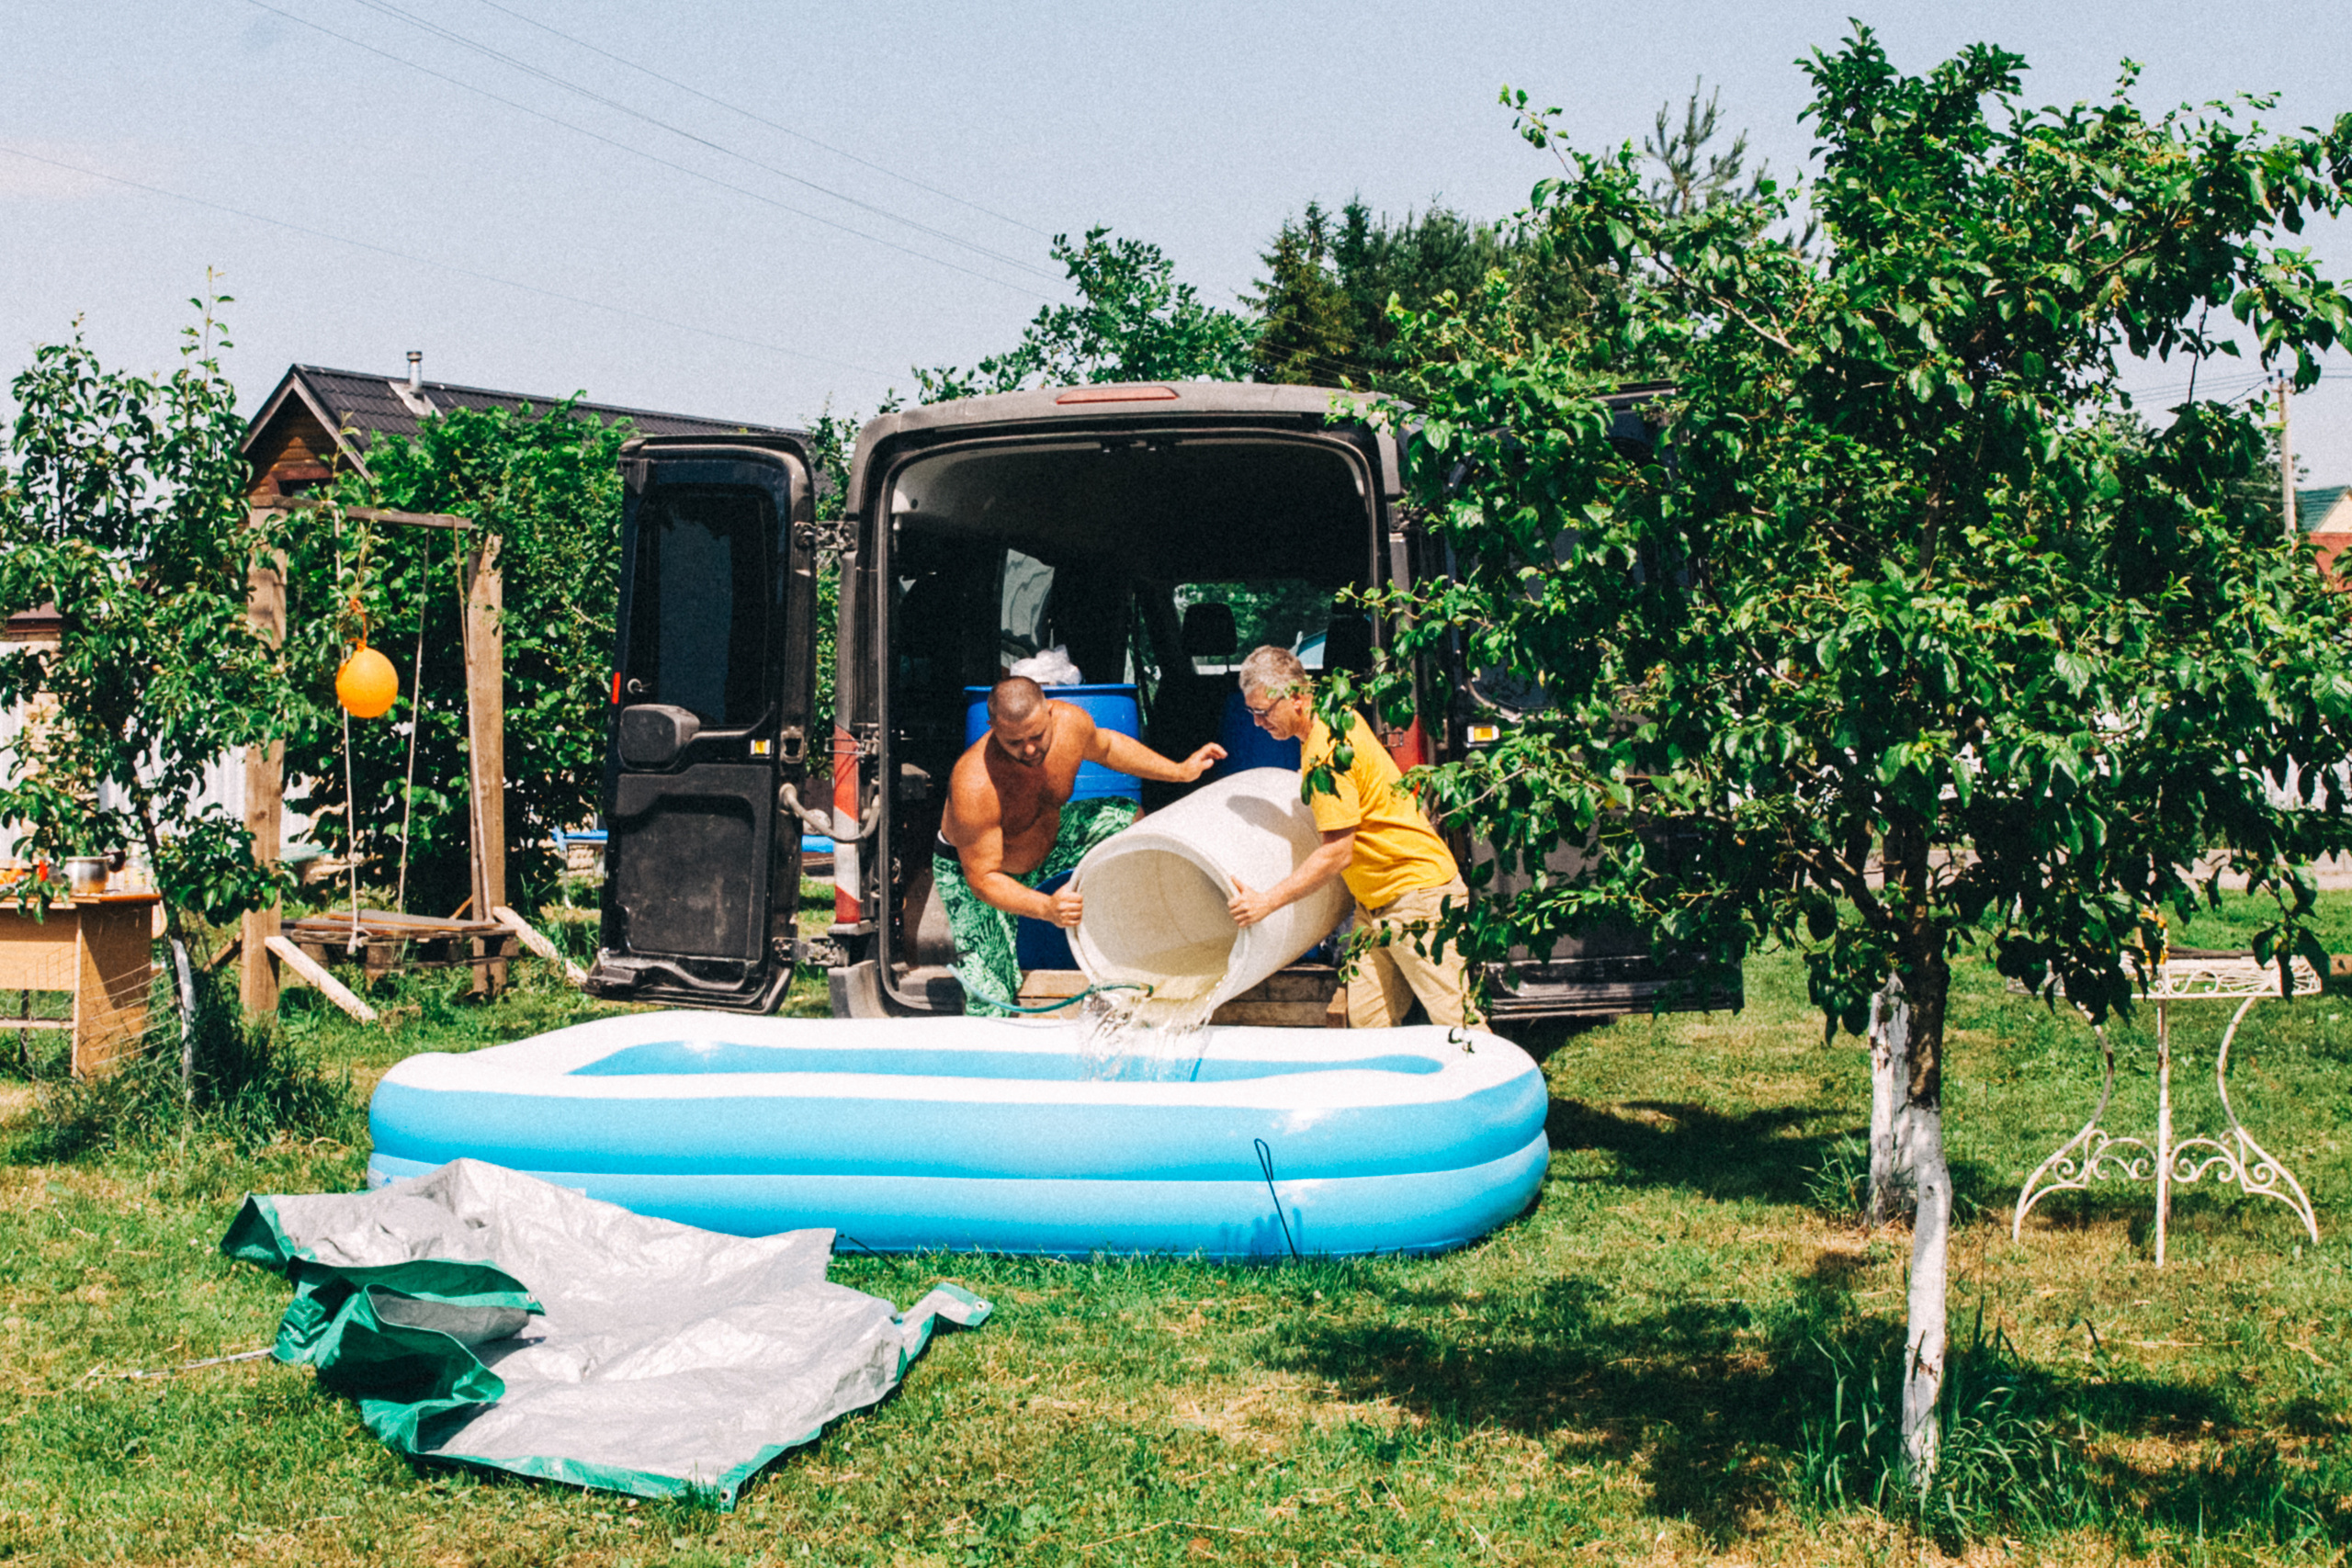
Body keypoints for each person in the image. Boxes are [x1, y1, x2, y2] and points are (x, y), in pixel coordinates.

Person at [937, 676, 1225, 1016]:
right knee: (992, 1002)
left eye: (1037, 735)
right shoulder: (974, 782)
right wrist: (1047, 908)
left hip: (1051, 840)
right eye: (1014, 741)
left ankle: (1143, 935)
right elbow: (983, 879)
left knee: (1124, 816)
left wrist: (1179, 771)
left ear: (1049, 711)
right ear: (992, 727)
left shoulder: (1071, 723)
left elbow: (1107, 748)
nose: (1029, 749)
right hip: (983, 877)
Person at [1225, 645, 1477, 1028]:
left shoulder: (1326, 751)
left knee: (1460, 1028)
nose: (1258, 724)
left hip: (1417, 895)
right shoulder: (1335, 716)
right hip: (1375, 902)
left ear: (1295, 697)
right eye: (1251, 713)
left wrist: (1266, 903)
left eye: (1263, 712)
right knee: (1367, 1027)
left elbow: (1337, 854)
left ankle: (1503, 1085)